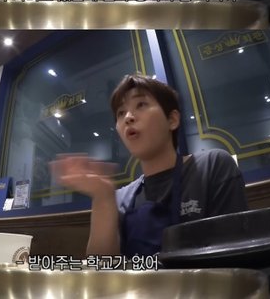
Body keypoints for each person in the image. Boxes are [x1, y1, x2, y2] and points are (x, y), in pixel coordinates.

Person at [50, 73, 248, 256]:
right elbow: (102, 271)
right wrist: (102, 197)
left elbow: (234, 260)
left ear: (172, 120)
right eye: (121, 113)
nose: (128, 117)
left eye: (141, 104)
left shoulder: (212, 166)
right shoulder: (119, 199)